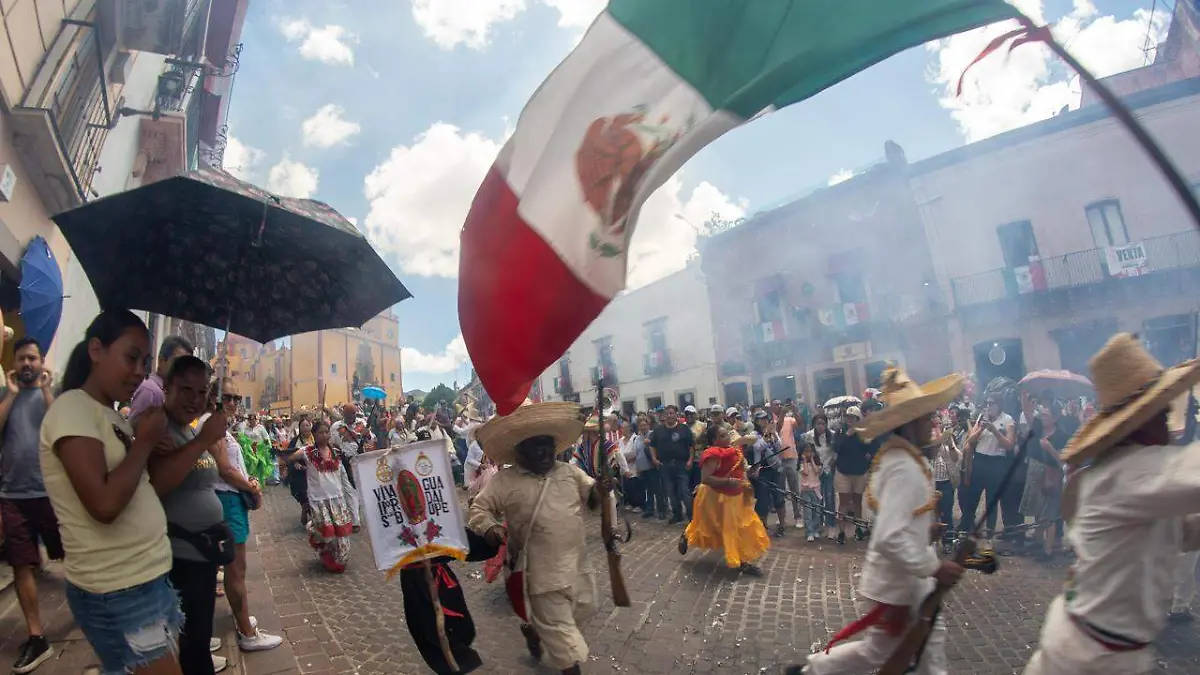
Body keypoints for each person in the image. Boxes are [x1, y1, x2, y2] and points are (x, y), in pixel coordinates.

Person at [1023, 334, 1200, 675]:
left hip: (1092, 651)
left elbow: (1180, 532)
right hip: (1088, 660)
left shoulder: (1130, 477)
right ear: (1140, 423)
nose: (1169, 428)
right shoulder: (1130, 472)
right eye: (1162, 418)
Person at [790, 367, 966, 675]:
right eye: (926, 417)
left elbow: (897, 523)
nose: (932, 422)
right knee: (894, 653)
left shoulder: (903, 459)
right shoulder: (904, 467)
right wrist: (936, 567)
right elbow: (889, 536)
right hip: (897, 586)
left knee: (903, 652)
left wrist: (924, 531)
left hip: (905, 581)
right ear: (910, 423)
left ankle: (813, 671)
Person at [40, 310, 186, 675]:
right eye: (130, 357)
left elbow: (141, 487)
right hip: (120, 590)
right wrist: (144, 443)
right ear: (96, 350)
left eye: (144, 361)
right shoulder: (72, 409)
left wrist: (158, 447)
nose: (139, 371)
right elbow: (104, 504)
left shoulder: (111, 415)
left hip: (145, 580)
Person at [469, 402, 602, 675]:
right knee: (565, 643)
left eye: (546, 444)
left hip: (578, 566)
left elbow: (595, 499)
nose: (542, 451)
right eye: (534, 445)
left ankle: (534, 631)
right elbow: (479, 509)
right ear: (520, 451)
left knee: (585, 610)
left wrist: (603, 491)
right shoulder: (505, 481)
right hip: (539, 575)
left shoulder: (570, 473)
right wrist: (491, 529)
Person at [149, 356, 233, 675]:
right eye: (185, 389)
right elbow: (160, 483)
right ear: (167, 387)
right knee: (188, 648)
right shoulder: (159, 428)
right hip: (179, 557)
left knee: (197, 643)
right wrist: (203, 440)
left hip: (202, 554)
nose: (194, 399)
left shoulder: (186, 429)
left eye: (201, 392)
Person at [0, 337, 59, 674]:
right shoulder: (6, 395)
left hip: (49, 493)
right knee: (22, 564)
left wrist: (48, 391)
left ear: (41, 362)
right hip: (13, 495)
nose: (26, 364)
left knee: (72, 554)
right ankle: (36, 636)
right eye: (21, 358)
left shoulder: (52, 394)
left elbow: (61, 429)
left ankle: (95, 611)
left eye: (32, 358)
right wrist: (9, 394)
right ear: (15, 362)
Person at [398, 529, 499, 674]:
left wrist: (490, 540)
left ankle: (455, 661)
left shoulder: (435, 515)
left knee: (460, 627)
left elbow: (455, 536)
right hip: (417, 582)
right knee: (431, 633)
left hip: (438, 577)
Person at [679, 424, 769, 576]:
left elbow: (741, 469)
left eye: (727, 434)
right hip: (715, 497)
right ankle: (687, 536)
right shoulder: (713, 454)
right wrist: (728, 482)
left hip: (736, 496)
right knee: (708, 525)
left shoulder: (734, 450)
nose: (727, 437)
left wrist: (749, 472)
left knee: (743, 527)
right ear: (714, 440)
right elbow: (706, 479)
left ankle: (741, 561)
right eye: (722, 436)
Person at [288, 420, 356, 572]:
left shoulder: (337, 452)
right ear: (314, 434)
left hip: (337, 499)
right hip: (319, 500)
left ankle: (339, 561)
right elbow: (289, 457)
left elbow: (350, 465)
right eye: (320, 432)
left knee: (342, 535)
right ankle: (322, 546)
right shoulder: (307, 451)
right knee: (326, 536)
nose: (324, 435)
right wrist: (284, 456)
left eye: (327, 432)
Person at [961, 395, 1017, 542]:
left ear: (999, 405)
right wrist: (980, 430)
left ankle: (989, 534)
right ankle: (968, 528)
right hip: (980, 460)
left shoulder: (1007, 420)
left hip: (996, 462)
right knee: (972, 496)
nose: (988, 406)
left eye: (991, 403)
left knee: (991, 500)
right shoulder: (981, 418)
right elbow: (970, 440)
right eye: (987, 404)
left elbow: (1009, 445)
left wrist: (994, 431)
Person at [129, 336, 193, 427]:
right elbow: (134, 430)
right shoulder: (150, 391)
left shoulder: (168, 392)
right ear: (161, 360)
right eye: (177, 362)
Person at [647, 404, 694, 524]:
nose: (669, 416)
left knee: (684, 491)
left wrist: (690, 460)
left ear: (676, 415)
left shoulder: (684, 429)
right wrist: (654, 458)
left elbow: (691, 446)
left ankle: (692, 516)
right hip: (665, 466)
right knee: (670, 492)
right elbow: (652, 445)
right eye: (667, 413)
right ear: (664, 415)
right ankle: (677, 514)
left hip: (681, 464)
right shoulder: (658, 430)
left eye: (672, 413)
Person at [832, 407, 873, 544]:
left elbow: (870, 449)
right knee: (843, 502)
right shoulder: (841, 431)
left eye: (852, 417)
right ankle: (841, 532)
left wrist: (868, 457)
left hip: (860, 472)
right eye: (848, 417)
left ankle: (859, 528)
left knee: (857, 501)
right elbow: (836, 447)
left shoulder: (864, 432)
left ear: (858, 419)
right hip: (843, 471)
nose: (849, 419)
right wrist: (847, 435)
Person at [804, 414, 838, 541]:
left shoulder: (832, 435)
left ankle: (831, 526)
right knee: (817, 499)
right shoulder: (809, 436)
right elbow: (807, 453)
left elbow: (835, 454)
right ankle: (816, 526)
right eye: (817, 424)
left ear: (826, 424)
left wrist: (828, 466)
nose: (820, 426)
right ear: (814, 425)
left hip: (828, 470)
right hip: (815, 471)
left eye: (822, 424)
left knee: (829, 497)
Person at [799, 443, 823, 542]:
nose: (808, 454)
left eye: (810, 451)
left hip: (815, 490)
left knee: (816, 512)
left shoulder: (818, 464)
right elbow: (805, 472)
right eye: (806, 451)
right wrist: (804, 460)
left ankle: (816, 529)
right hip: (806, 490)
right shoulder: (801, 463)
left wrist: (812, 460)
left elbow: (817, 471)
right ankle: (809, 531)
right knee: (807, 512)